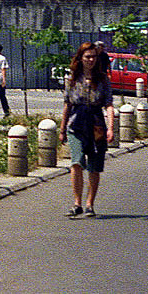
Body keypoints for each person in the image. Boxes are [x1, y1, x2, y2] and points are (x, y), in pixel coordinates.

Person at [59, 42, 114, 218]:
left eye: (93, 57)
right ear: (80, 59)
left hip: (96, 125)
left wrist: (111, 127)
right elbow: (67, 104)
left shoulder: (103, 80)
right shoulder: (72, 79)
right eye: (87, 57)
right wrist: (62, 129)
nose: (90, 60)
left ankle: (90, 204)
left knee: (94, 167)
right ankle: (77, 203)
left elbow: (109, 104)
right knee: (76, 163)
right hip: (76, 125)